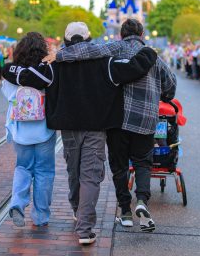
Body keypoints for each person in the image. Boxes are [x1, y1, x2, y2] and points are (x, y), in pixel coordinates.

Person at [3, 25, 157, 244]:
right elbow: (134, 68)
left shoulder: (56, 65)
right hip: (96, 128)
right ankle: (84, 229)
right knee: (91, 176)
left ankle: (77, 209)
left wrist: (7, 68)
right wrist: (149, 52)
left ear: (66, 42)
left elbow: (27, 77)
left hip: (68, 129)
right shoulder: (107, 63)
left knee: (74, 172)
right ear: (89, 39)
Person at [44, 18, 177, 233]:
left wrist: (58, 55)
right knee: (143, 162)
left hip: (118, 119)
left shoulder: (113, 49)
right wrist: (163, 94)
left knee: (118, 166)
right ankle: (142, 200)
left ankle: (124, 210)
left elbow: (85, 52)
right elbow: (170, 86)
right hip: (144, 120)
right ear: (142, 34)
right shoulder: (153, 57)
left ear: (121, 34)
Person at [2, 32, 57, 228]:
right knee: (44, 171)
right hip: (44, 130)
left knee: (22, 167)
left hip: (20, 130)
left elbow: (8, 96)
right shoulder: (47, 71)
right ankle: (41, 216)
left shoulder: (11, 73)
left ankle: (17, 202)